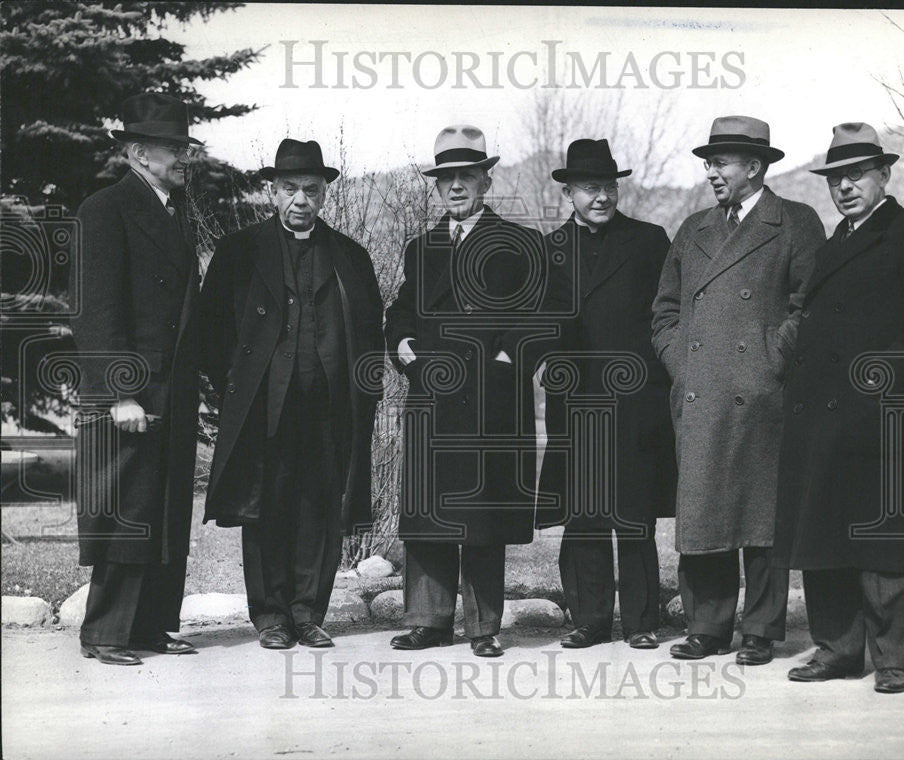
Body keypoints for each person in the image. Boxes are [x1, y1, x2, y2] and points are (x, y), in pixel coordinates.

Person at [774, 123, 904, 694]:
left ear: (885, 174)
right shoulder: (832, 246)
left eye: (857, 174)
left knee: (886, 542)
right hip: (819, 419)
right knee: (824, 537)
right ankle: (837, 649)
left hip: (880, 413)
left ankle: (894, 659)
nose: (845, 186)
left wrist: (883, 378)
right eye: (836, 178)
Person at [651, 115, 825, 665]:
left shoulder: (794, 222)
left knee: (761, 517)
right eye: (708, 162)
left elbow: (808, 306)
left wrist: (771, 360)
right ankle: (707, 626)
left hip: (762, 395)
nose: (711, 172)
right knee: (704, 511)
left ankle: (761, 629)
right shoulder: (692, 228)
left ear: (754, 166)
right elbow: (665, 312)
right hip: (701, 390)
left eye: (721, 162)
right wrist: (682, 365)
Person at [199, 139, 385, 649]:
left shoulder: (350, 256)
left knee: (319, 507)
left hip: (328, 408)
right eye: (289, 189)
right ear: (271, 191)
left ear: (324, 194)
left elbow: (372, 334)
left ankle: (307, 613)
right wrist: (233, 391)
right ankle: (271, 617)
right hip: (263, 407)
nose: (300, 199)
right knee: (265, 507)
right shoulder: (240, 252)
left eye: (310, 189)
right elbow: (210, 331)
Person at [384, 124, 544, 657]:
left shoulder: (521, 243)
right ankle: (428, 621)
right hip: (431, 395)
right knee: (429, 513)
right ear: (435, 185)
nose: (456, 187)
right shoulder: (420, 247)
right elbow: (401, 310)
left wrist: (503, 362)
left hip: (490, 403)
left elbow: (538, 319)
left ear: (486, 181)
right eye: (446, 178)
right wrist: (404, 345)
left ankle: (483, 628)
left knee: (483, 518)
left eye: (466, 177)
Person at [72, 92, 202, 665]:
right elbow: (94, 310)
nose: (183, 157)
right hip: (132, 393)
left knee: (164, 509)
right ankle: (105, 633)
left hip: (172, 389)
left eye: (183, 147)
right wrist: (119, 392)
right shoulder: (104, 209)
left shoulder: (174, 211)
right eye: (174, 148)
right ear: (138, 153)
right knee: (126, 507)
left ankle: (150, 626)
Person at [537, 138, 676, 649]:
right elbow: (538, 326)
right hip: (575, 400)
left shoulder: (649, 240)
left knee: (634, 514)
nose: (601, 196)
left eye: (609, 186)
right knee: (584, 512)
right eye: (590, 187)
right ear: (569, 191)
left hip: (635, 398)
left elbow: (669, 313)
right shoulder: (548, 250)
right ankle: (589, 620)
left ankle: (642, 623)